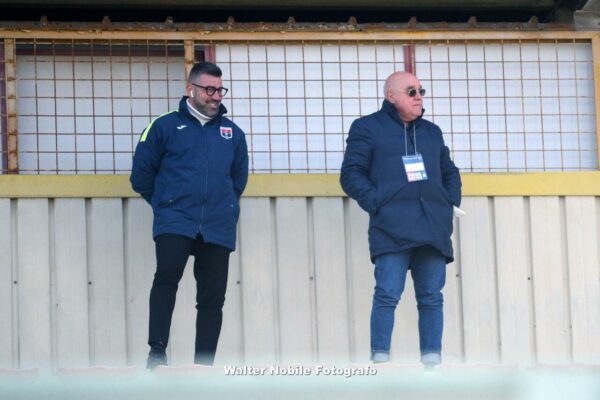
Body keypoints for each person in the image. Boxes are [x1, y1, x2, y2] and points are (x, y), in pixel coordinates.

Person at [130, 62, 249, 369]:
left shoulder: (233, 134)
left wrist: (224, 208)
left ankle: (203, 366)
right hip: (176, 221)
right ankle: (157, 352)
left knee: (212, 299)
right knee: (166, 279)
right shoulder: (163, 127)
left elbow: (238, 181)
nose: (216, 96)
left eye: (220, 90)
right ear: (190, 89)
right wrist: (166, 204)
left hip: (218, 226)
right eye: (209, 89)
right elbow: (141, 176)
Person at [340, 71, 461, 369]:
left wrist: (447, 203)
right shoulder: (367, 127)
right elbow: (351, 174)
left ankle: (432, 364)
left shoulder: (432, 132)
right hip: (391, 227)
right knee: (387, 294)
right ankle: (380, 361)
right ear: (391, 96)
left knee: (431, 297)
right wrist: (377, 202)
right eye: (411, 91)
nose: (419, 97)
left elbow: (449, 171)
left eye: (421, 91)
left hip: (432, 227)